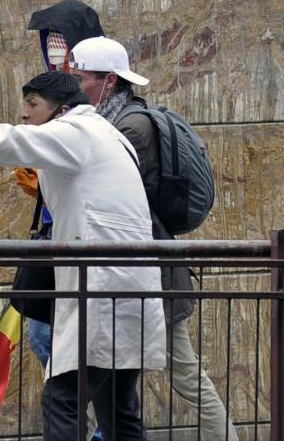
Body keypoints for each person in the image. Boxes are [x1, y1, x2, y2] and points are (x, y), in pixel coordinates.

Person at [0, 71, 168, 440]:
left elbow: (10, 139)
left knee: (63, 402)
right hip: (128, 289)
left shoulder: (77, 132)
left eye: (32, 103)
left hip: (103, 290)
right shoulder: (108, 136)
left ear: (61, 109)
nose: (24, 113)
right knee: (118, 413)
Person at [70, 35, 238, 440]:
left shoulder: (131, 127)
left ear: (109, 81)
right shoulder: (114, 121)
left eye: (80, 79)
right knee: (112, 386)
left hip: (153, 277)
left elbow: (122, 203)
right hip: (135, 276)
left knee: (186, 377)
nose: (75, 87)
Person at [23, 0, 106, 441]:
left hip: (95, 249)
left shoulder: (98, 108)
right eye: (49, 45)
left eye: (62, 46)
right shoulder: (58, 101)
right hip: (58, 237)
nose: (56, 54)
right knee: (44, 337)